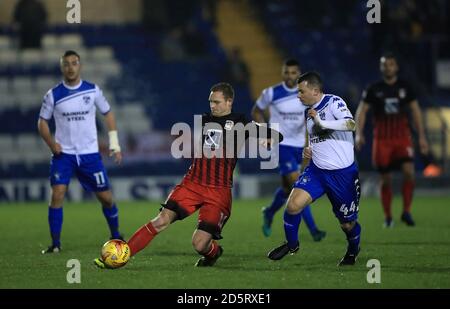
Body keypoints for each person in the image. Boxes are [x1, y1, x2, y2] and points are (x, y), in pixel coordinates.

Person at [94, 82, 282, 268]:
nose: (212, 106)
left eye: (216, 102)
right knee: (161, 221)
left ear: (229, 101)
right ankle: (121, 257)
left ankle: (213, 253)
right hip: (192, 184)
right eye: (210, 102)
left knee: (199, 243)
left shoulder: (242, 123)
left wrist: (266, 138)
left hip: (218, 192)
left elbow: (277, 136)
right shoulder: (207, 119)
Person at [268, 72, 362, 266]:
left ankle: (353, 250)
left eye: (301, 91)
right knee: (293, 206)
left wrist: (321, 121)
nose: (298, 95)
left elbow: (351, 124)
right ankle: (292, 244)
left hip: (342, 174)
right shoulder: (308, 113)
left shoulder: (333, 102)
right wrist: (309, 149)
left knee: (347, 224)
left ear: (315, 90)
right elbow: (316, 138)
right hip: (317, 171)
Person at [38, 50, 123, 253]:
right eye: (66, 64)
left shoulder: (92, 90)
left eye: (74, 63)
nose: (70, 67)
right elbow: (42, 122)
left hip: (89, 155)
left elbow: (108, 114)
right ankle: (55, 244)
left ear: (80, 66)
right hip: (63, 155)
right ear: (62, 67)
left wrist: (114, 144)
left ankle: (116, 235)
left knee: (106, 198)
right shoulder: (53, 95)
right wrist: (52, 144)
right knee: (57, 194)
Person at [252, 59, 326, 240]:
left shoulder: (306, 94)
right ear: (282, 73)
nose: (290, 76)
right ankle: (314, 230)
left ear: (299, 73)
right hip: (281, 144)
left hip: (300, 145)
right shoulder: (271, 93)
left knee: (287, 190)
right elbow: (256, 111)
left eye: (294, 73)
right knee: (297, 183)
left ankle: (269, 213)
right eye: (287, 72)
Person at [355, 53, 429, 227]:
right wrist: (359, 133)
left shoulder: (405, 87)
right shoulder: (374, 89)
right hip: (382, 141)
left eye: (390, 64)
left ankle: (406, 212)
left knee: (409, 173)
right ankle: (388, 217)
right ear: (381, 68)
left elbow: (416, 111)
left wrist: (422, 137)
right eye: (384, 65)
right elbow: (361, 111)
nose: (388, 67)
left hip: (402, 138)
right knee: (385, 179)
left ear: (396, 67)